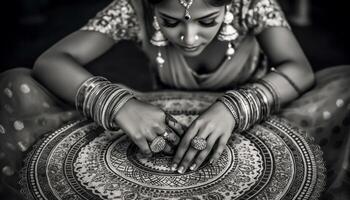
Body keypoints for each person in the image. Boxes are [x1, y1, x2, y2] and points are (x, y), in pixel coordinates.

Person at [0, 0, 349, 199]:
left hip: (255, 122)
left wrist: (233, 107)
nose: (188, 36)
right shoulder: (132, 8)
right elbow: (49, 62)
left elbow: (299, 70)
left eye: (208, 21)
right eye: (168, 22)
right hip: (158, 123)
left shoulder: (252, 4)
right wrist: (117, 104)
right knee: (14, 85)